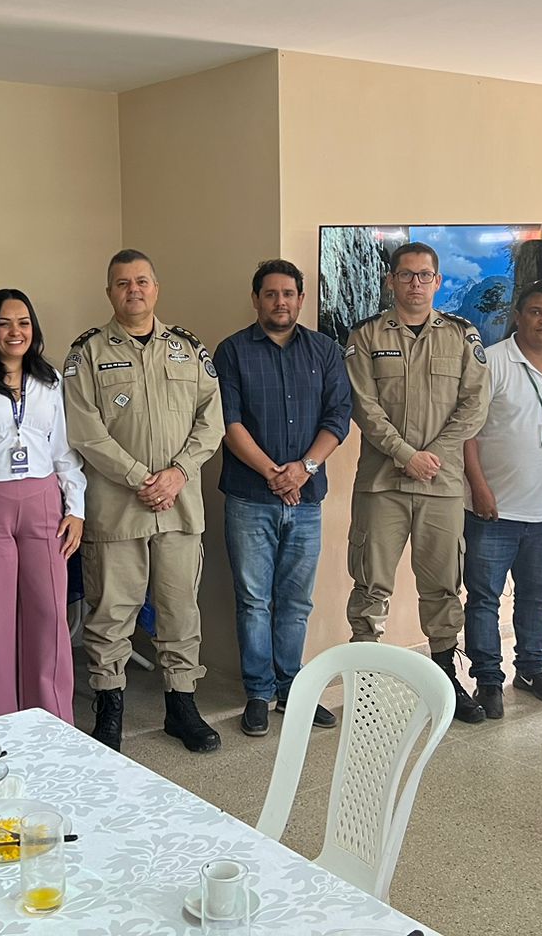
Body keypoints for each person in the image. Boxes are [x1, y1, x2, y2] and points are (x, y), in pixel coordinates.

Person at [64, 249, 225, 753]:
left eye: (141, 281)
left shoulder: (188, 349)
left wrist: (177, 473)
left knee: (180, 610)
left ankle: (182, 705)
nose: (133, 290)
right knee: (111, 612)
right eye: (122, 283)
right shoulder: (87, 353)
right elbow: (84, 431)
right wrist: (139, 477)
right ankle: (109, 708)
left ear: (156, 288)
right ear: (109, 292)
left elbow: (212, 420)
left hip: (178, 505)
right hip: (117, 509)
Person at [345, 241, 490, 725]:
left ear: (437, 282)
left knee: (443, 587)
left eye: (424, 275)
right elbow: (363, 406)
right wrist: (407, 455)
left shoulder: (462, 336)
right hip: (382, 484)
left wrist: (433, 456)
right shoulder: (366, 336)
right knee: (370, 585)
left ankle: (445, 680)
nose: (415, 283)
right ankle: (365, 686)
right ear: (391, 280)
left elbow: (474, 404)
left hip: (441, 485)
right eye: (406, 274)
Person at [213, 259, 352, 738]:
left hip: (306, 498)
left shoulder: (325, 350)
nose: (280, 302)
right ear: (256, 300)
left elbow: (338, 416)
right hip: (250, 497)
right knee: (253, 600)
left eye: (288, 293)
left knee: (295, 601)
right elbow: (229, 422)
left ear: (301, 299)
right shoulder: (232, 351)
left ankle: (292, 689)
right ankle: (258, 692)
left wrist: (302, 469)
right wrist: (275, 474)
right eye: (270, 294)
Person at [0, 288, 87, 724]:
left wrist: (76, 509)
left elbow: (64, 450)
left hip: (43, 502)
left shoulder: (50, 381)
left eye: (23, 322)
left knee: (49, 615)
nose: (15, 332)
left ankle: (54, 721)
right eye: (4, 323)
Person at [462, 278, 542, 717]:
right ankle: (487, 681)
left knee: (536, 598)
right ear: (518, 316)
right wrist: (479, 487)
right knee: (484, 600)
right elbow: (467, 433)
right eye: (536, 311)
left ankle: (532, 669)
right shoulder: (491, 361)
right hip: (492, 511)